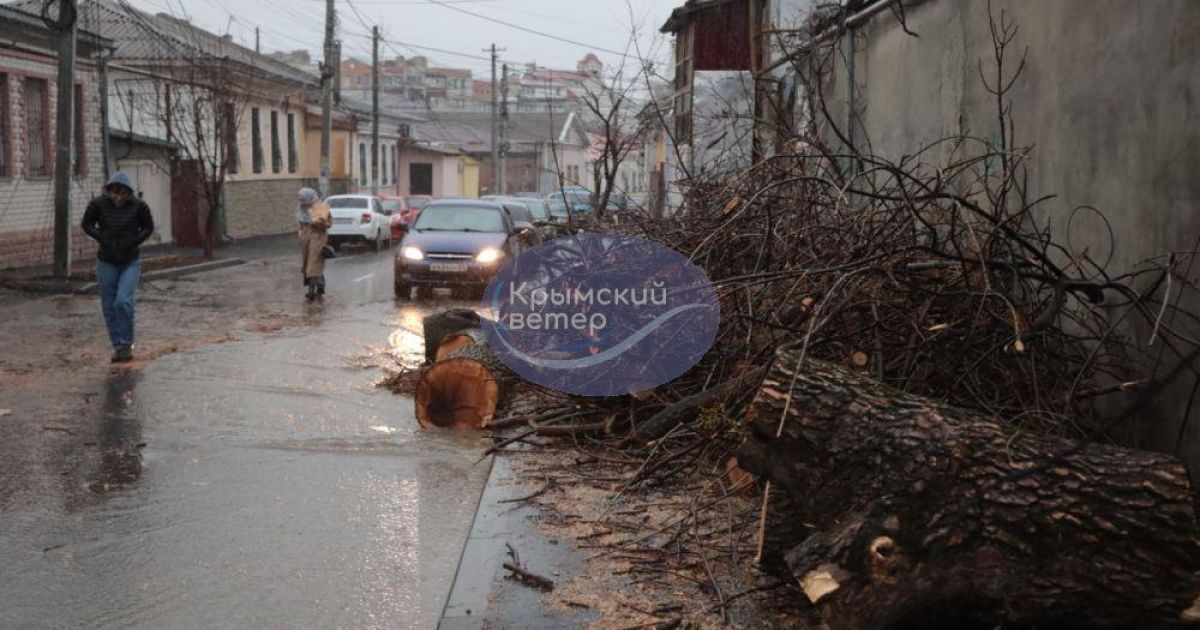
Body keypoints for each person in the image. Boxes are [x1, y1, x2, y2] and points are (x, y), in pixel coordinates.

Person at [81, 171, 155, 363]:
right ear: (109, 191)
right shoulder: (98, 204)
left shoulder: (139, 207)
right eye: (114, 192)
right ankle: (119, 346)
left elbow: (148, 227)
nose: (117, 197)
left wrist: (134, 241)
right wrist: (101, 237)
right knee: (109, 305)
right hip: (106, 261)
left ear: (128, 192)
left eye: (122, 193)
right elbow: (86, 223)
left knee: (123, 301)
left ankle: (127, 341)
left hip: (130, 261)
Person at [296, 187, 330, 301]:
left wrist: (315, 222)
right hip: (306, 239)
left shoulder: (321, 207)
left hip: (317, 238)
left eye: (303, 199)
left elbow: (327, 223)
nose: (301, 202)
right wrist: (300, 233)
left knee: (313, 264)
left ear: (309, 197)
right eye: (300, 200)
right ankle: (320, 286)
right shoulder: (303, 209)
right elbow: (300, 224)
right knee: (308, 265)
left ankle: (311, 291)